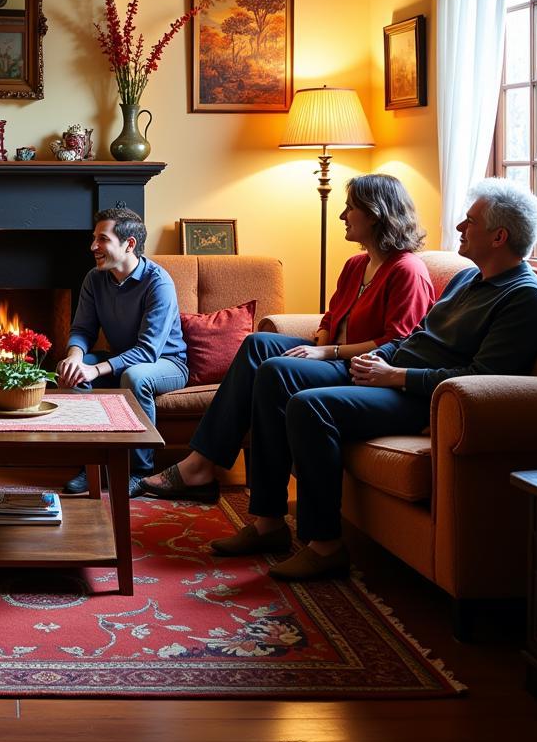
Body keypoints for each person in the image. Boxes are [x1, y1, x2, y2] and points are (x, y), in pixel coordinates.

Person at [209, 178, 537, 581]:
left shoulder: (525, 297)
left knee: (309, 405)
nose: (458, 228)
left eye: (469, 222)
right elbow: (414, 336)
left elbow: (483, 378)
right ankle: (268, 522)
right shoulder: (466, 279)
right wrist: (375, 359)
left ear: (498, 236)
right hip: (391, 375)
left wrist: (396, 376)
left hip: (425, 398)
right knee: (274, 373)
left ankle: (325, 546)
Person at [142, 173, 434, 504]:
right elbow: (331, 314)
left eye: (350, 208)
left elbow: (397, 342)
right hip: (331, 353)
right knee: (257, 344)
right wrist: (323, 338)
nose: (342, 216)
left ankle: (247, 497)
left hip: (360, 369)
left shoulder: (407, 271)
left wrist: (328, 351)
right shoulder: (356, 265)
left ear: (375, 213)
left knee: (275, 370)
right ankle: (201, 463)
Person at [56, 207, 189, 498]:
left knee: (135, 377)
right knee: (74, 372)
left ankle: (141, 472)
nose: (93, 247)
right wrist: (76, 358)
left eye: (102, 239)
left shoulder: (158, 282)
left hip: (166, 363)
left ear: (129, 244)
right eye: (94, 238)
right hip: (121, 358)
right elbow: (82, 330)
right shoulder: (94, 278)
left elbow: (148, 350)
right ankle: (93, 465)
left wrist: (97, 369)